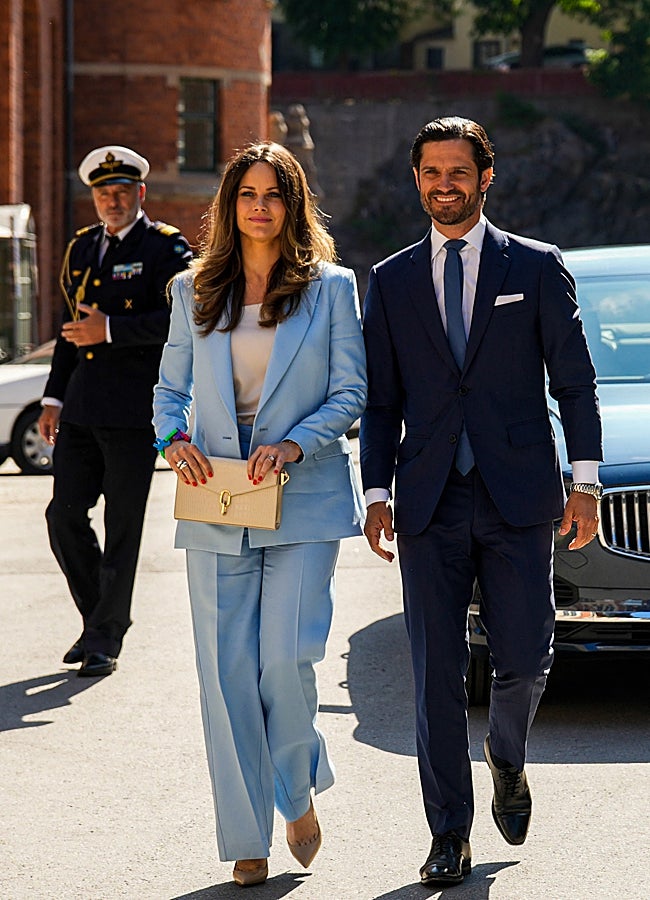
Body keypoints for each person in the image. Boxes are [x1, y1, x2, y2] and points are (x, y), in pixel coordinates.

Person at [360, 117, 602, 886]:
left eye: (457, 171)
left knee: (527, 659)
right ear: (417, 178)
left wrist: (587, 479)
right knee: (433, 675)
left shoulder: (535, 266)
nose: (443, 184)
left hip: (520, 497)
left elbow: (575, 380)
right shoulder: (392, 280)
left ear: (485, 176)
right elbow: (381, 400)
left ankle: (506, 753)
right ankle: (448, 834)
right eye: (430, 172)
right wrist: (374, 489)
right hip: (428, 501)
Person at [152, 141, 366, 887]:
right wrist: (172, 440)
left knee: (283, 659)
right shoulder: (192, 289)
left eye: (274, 194)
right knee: (225, 674)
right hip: (216, 497)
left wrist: (296, 444)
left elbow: (349, 394)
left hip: (303, 497)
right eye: (247, 193)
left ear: (294, 204)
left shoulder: (332, 289)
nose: (260, 206)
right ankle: (249, 836)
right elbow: (170, 387)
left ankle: (296, 788)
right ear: (229, 204)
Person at [39, 145, 192, 677]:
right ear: (94, 199)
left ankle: (104, 638)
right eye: (104, 193)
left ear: (140, 194)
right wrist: (54, 397)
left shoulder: (166, 249)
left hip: (134, 412)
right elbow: (68, 330)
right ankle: (98, 621)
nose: (112, 200)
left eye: (122, 191)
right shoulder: (82, 248)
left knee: (122, 525)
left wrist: (111, 330)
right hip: (81, 408)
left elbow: (182, 320)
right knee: (62, 516)